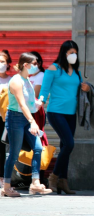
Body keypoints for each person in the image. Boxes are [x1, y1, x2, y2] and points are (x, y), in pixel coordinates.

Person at [39, 40, 90, 195]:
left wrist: (87, 88)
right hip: (56, 112)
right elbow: (44, 89)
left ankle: (63, 180)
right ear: (63, 53)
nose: (73, 55)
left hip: (71, 114)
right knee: (69, 144)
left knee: (65, 148)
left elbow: (80, 91)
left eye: (75, 52)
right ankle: (53, 177)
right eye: (70, 52)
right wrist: (39, 102)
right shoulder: (54, 69)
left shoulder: (77, 72)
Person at [1, 53, 52, 197]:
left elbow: (30, 105)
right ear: (26, 65)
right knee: (14, 154)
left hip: (26, 118)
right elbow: (22, 105)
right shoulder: (16, 81)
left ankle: (35, 183)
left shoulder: (27, 80)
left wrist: (38, 103)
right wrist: (32, 121)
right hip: (16, 118)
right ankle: (6, 187)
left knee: (37, 148)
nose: (36, 66)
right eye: (34, 64)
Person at [0, 50, 12, 188]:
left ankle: (2, 176)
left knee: (2, 147)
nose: (1, 64)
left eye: (3, 61)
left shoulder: (11, 80)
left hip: (5, 118)